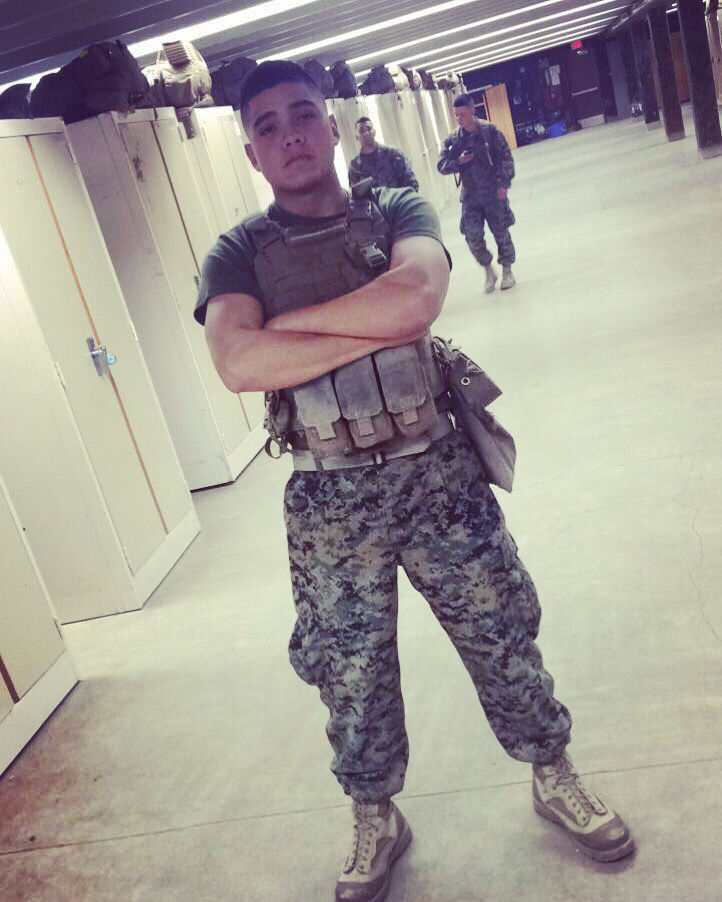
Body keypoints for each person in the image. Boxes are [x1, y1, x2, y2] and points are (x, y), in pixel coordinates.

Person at [195, 61, 634, 902]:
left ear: (331, 126)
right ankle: (376, 815)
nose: (289, 135)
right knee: (349, 672)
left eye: (303, 115)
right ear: (250, 151)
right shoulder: (238, 252)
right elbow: (240, 362)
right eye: (267, 126)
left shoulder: (395, 207)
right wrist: (365, 318)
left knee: (502, 630)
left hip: (436, 470)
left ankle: (553, 774)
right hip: (330, 495)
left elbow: (415, 302)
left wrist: (292, 327)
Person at [438, 93, 517, 294]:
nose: (459, 119)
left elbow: (506, 158)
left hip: (493, 193)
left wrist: (504, 184)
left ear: (472, 110)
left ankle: (507, 270)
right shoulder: (454, 139)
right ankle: (489, 270)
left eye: (462, 115)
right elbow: (442, 165)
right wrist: (458, 162)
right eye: (456, 116)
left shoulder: (490, 131)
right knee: (472, 236)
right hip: (471, 197)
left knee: (501, 233)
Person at [348, 115, 419, 191]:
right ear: (356, 137)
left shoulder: (393, 154)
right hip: (374, 199)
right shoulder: (355, 166)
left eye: (369, 129)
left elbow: (411, 183)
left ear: (374, 132)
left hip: (399, 198)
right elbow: (356, 193)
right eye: (361, 131)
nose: (366, 133)